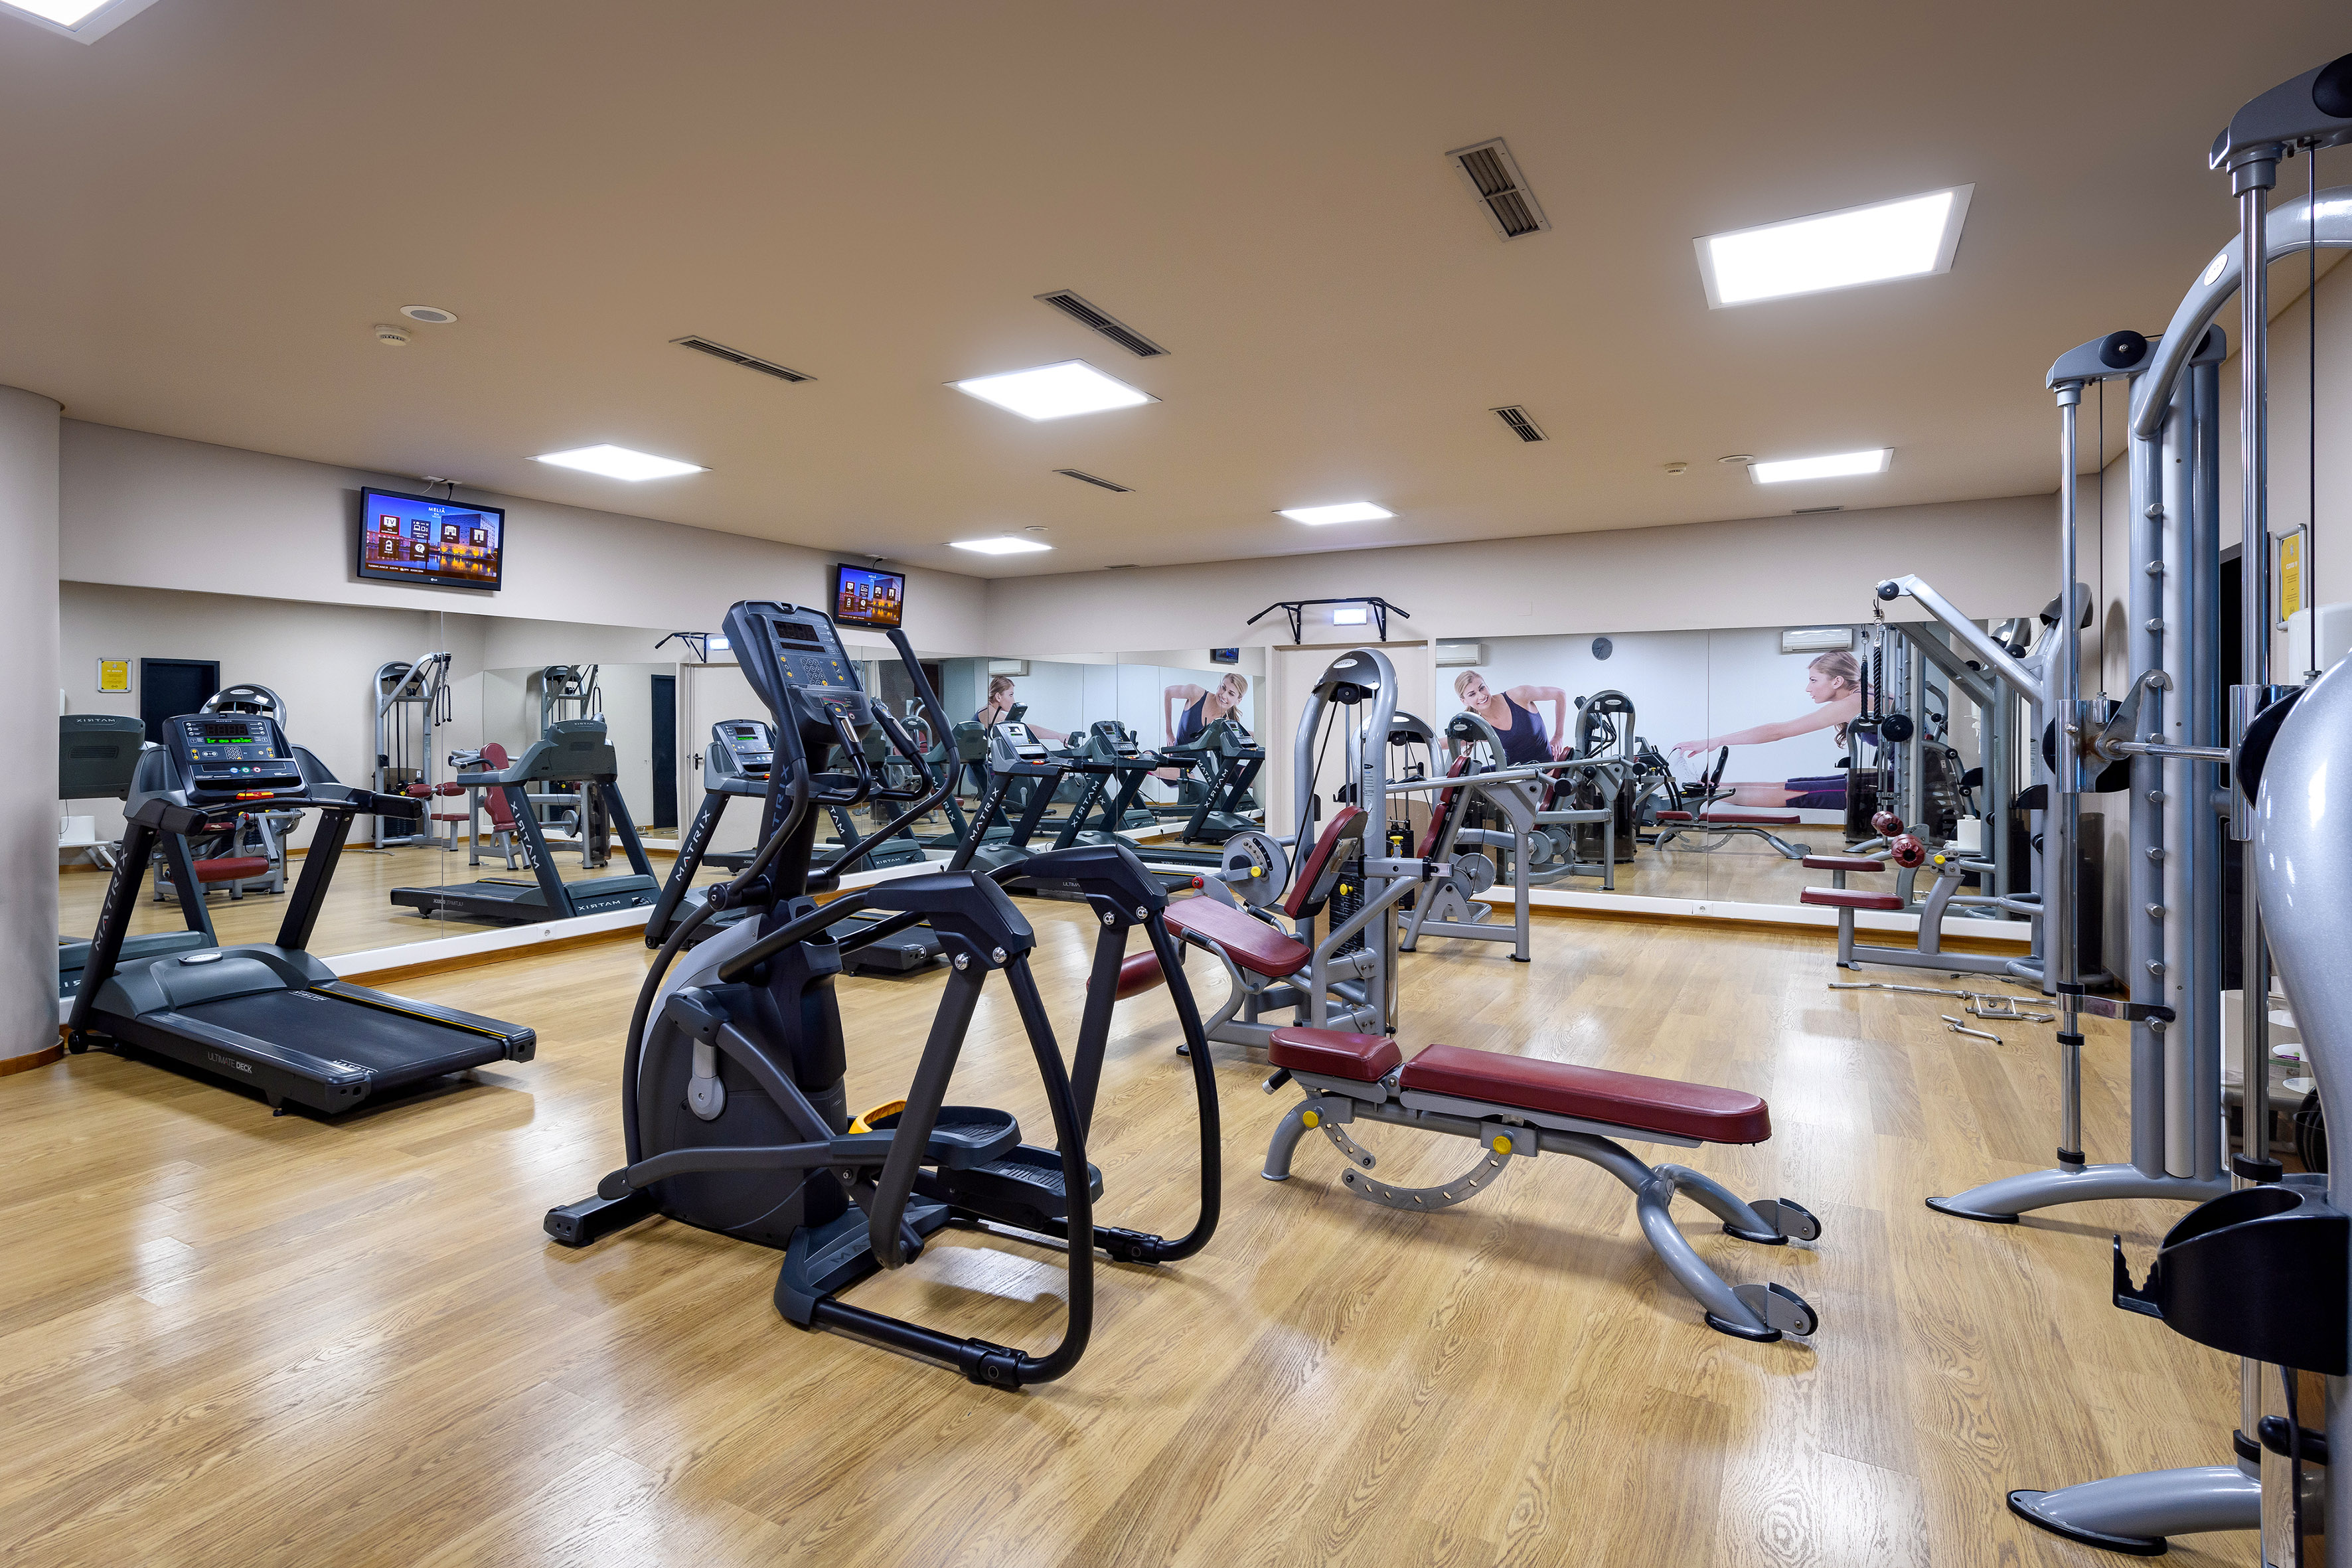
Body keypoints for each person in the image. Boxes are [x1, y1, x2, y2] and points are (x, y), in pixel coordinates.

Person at [1670, 651, 1861, 808]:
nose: (1808, 688)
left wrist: (1715, 741)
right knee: (1790, 786)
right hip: (1887, 778)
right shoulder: (1864, 696)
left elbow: (1778, 732)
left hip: (1888, 782)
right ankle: (1698, 785)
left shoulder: (1855, 701)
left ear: (1837, 681)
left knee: (1794, 793)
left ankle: (1696, 789)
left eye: (1813, 680)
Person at [1453, 670, 1571, 765]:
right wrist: (1433, 741)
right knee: (1460, 779)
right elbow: (1448, 741)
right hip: (1514, 777)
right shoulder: (1481, 727)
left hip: (1546, 769)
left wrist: (1559, 736)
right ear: (1464, 701)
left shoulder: (1519, 695)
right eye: (1472, 694)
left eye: (1482, 688)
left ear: (1487, 686)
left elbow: (1560, 694)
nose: (1481, 695)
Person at [1164, 672, 1249, 749]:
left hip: (1201, 764)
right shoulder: (1196, 693)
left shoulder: (1226, 723)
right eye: (1223, 688)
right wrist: (1169, 733)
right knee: (1150, 754)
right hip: (1177, 759)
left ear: (1238, 701)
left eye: (1231, 694)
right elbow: (1168, 692)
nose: (1223, 695)